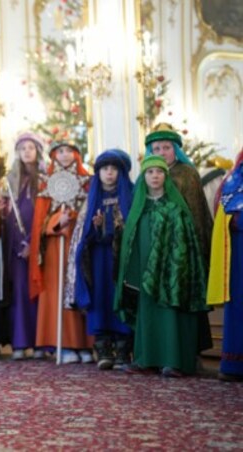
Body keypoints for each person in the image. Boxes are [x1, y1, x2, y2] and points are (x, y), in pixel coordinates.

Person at [115, 155, 208, 377]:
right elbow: (129, 243)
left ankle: (173, 361)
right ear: (143, 177)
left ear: (165, 177)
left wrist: (173, 268)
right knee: (147, 310)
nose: (155, 176)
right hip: (144, 272)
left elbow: (185, 244)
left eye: (159, 172)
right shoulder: (139, 209)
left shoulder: (176, 208)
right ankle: (146, 359)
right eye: (150, 172)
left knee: (169, 312)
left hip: (170, 273)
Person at [144, 124, 214, 354]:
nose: (162, 152)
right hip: (154, 248)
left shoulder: (187, 173)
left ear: (175, 149)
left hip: (183, 248)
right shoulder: (147, 174)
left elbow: (196, 212)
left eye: (166, 147)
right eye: (156, 148)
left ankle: (186, 352)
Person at [29, 142, 93, 364]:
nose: (65, 155)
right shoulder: (46, 184)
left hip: (79, 245)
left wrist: (75, 219)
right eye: (60, 152)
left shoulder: (87, 182)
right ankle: (63, 344)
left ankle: (85, 344)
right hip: (55, 247)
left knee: (78, 290)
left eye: (69, 151)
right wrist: (58, 221)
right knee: (57, 293)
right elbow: (40, 220)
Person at [72, 149, 134, 370]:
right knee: (100, 299)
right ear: (98, 173)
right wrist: (96, 229)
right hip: (98, 260)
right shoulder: (92, 200)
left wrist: (112, 228)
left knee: (120, 297)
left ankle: (124, 349)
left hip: (122, 260)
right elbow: (83, 235)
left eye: (114, 169)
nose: (109, 173)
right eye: (105, 169)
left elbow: (132, 227)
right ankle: (104, 349)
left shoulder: (131, 195)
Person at [3, 132, 45, 360]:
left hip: (37, 242)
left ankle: (39, 342)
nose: (27, 151)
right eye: (22, 148)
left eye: (31, 147)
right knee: (19, 291)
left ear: (38, 150)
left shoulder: (45, 179)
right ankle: (20, 342)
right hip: (14, 243)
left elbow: (45, 213)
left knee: (37, 292)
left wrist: (32, 242)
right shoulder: (11, 180)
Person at [208, 150, 243, 381]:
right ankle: (234, 364)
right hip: (238, 252)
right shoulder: (233, 180)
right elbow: (223, 210)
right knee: (238, 303)